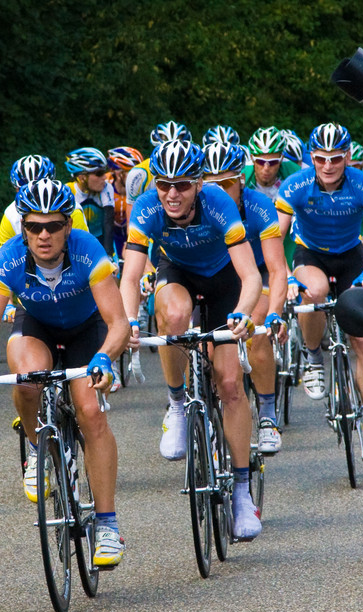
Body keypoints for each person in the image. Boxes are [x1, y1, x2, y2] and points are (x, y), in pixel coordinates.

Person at [0, 179, 128, 567]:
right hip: (37, 326)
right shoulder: (9, 258)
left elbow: (118, 322)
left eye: (53, 226)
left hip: (87, 331)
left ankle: (107, 524)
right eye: (34, 226)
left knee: (90, 411)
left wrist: (105, 357)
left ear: (68, 226)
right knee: (28, 377)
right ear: (23, 228)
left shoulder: (87, 251)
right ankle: (38, 446)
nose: (43, 235)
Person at [120, 139, 263, 540]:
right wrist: (130, 321)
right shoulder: (147, 207)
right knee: (175, 315)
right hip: (177, 273)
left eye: (182, 185)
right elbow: (130, 277)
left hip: (224, 282)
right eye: (164, 184)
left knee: (231, 384)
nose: (172, 194)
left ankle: (240, 491)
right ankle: (177, 404)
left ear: (198, 184)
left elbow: (251, 277)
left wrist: (242, 313)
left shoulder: (219, 204)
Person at [275, 122, 363, 457]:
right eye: (321, 158)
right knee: (315, 290)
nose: (328, 166)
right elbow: (274, 238)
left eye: (336, 159)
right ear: (311, 157)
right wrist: (286, 276)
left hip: (351, 256)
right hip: (309, 253)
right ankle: (313, 357)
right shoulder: (296, 184)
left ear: (348, 156)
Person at [203, 141, 289, 454]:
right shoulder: (197, 207)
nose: (218, 191)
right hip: (217, 281)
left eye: (225, 183)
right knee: (197, 341)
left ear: (241, 178)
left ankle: (267, 413)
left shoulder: (258, 205)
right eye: (210, 183)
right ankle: (197, 404)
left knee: (257, 327)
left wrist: (276, 312)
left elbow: (278, 269)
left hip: (258, 276)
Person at [0, 155, 87, 247]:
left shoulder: (73, 210)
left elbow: (84, 248)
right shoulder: (10, 215)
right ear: (16, 189)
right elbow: (5, 254)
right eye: (25, 189)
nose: (33, 195)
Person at [126, 121, 191, 205]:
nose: (171, 158)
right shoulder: (139, 174)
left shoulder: (193, 169)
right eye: (165, 153)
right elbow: (131, 214)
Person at [64, 147, 116, 253]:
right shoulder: (67, 191)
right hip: (76, 245)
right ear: (82, 177)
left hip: (102, 243)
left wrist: (108, 255)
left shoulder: (106, 188)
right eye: (99, 173)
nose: (105, 177)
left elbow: (108, 223)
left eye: (104, 172)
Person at [243, 126, 303, 201]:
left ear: (281, 159)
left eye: (273, 162)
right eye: (260, 162)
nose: (266, 168)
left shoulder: (295, 173)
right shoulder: (243, 175)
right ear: (252, 159)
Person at [107, 146, 144, 262]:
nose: (136, 177)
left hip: (132, 233)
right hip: (113, 235)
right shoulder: (105, 185)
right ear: (119, 173)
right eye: (131, 172)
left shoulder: (142, 185)